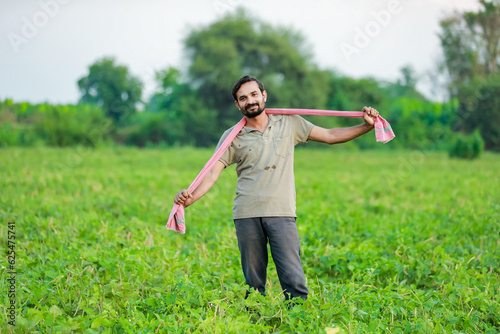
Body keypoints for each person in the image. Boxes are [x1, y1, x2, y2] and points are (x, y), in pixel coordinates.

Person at [174, 75, 379, 302]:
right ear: (237, 105)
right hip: (246, 214)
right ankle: (255, 324)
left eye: (253, 95)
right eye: (243, 98)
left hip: (282, 213)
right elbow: (212, 173)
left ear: (264, 96)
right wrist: (188, 199)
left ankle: (296, 322)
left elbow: (330, 136)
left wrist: (366, 127)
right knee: (254, 284)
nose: (250, 101)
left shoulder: (289, 122)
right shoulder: (232, 136)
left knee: (293, 280)